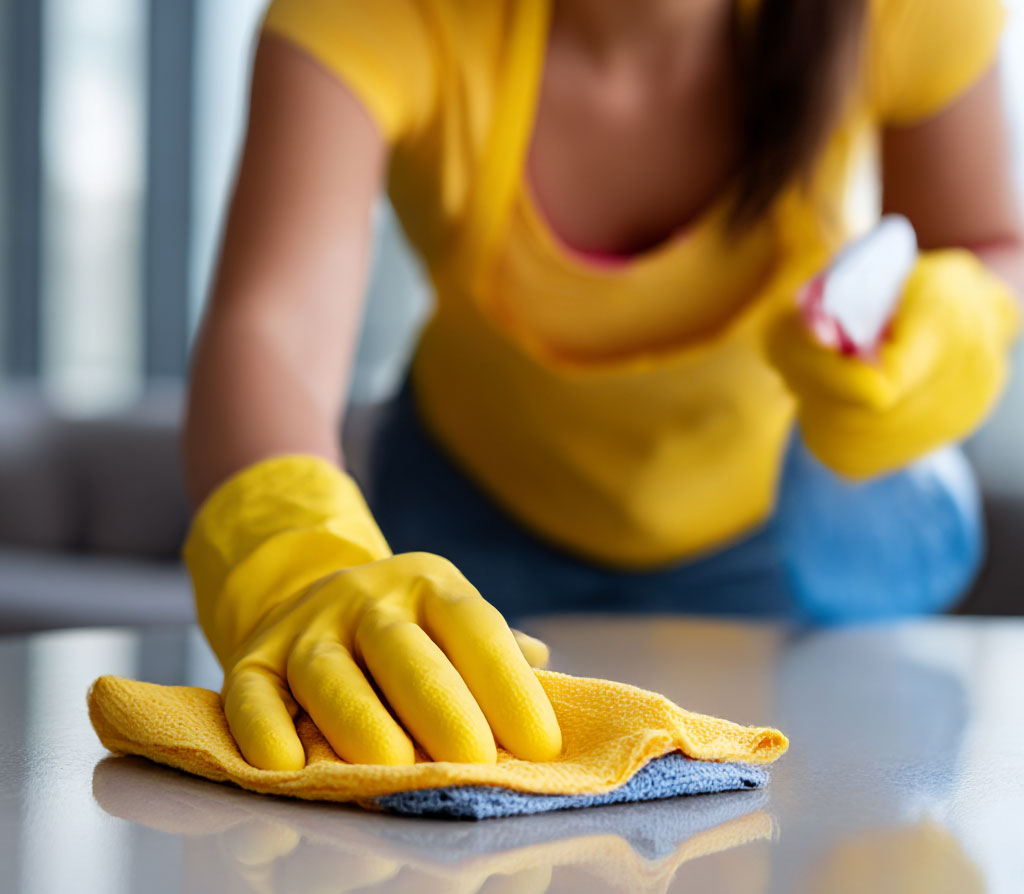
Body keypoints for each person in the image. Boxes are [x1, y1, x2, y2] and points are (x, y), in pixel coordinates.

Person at [181, 0, 1024, 771]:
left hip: (774, 546)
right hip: (454, 547)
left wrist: (970, 310)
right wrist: (296, 559)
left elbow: (987, 240)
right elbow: (272, 329)